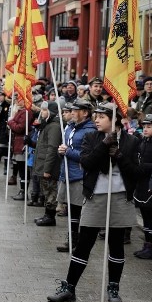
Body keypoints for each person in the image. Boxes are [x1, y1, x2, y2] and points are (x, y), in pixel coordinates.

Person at [48, 102, 140, 302]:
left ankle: (113, 288)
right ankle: (69, 286)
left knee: (116, 244)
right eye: (95, 116)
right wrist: (105, 144)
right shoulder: (91, 137)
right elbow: (87, 163)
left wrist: (119, 156)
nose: (96, 120)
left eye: (101, 117)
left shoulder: (131, 141)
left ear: (114, 118)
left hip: (120, 196)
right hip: (95, 195)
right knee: (84, 243)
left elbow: (135, 172)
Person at [56, 101, 96, 252]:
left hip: (80, 175)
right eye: (71, 110)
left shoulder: (90, 130)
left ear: (85, 113)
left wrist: (68, 152)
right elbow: (66, 147)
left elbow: (89, 156)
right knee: (71, 209)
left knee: (80, 209)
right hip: (67, 172)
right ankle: (71, 238)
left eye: (75, 110)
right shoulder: (70, 127)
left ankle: (79, 241)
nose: (71, 112)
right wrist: (61, 151)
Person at [132, 115, 152, 260]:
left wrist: (142, 166)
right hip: (141, 183)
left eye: (149, 127)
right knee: (145, 216)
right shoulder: (143, 141)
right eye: (144, 126)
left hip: (151, 184)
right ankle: (148, 244)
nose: (145, 129)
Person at [33, 101, 62, 227]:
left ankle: (50, 216)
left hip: (48, 165)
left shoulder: (54, 126)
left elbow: (52, 148)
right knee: (46, 189)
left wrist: (47, 168)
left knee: (50, 190)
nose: (42, 112)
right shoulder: (47, 124)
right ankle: (46, 214)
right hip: (42, 162)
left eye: (45, 110)